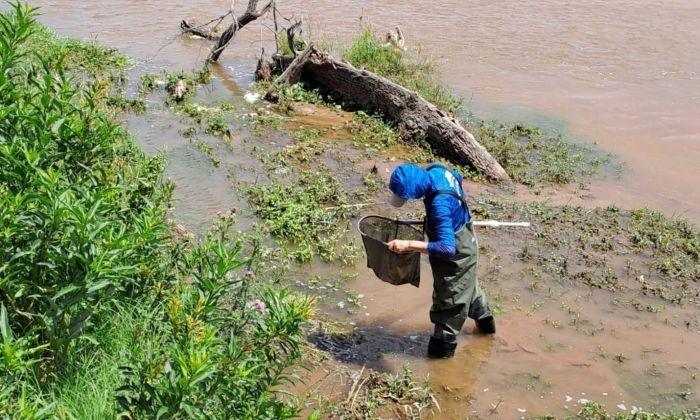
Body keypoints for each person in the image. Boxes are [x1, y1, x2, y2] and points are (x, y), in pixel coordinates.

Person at [387, 163, 495, 359]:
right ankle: (488, 334)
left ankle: (440, 367)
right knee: (468, 288)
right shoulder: (437, 170)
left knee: (450, 302)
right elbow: (458, 177)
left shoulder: (439, 205)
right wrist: (455, 212)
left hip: (458, 252)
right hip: (466, 232)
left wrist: (408, 244)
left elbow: (447, 248)